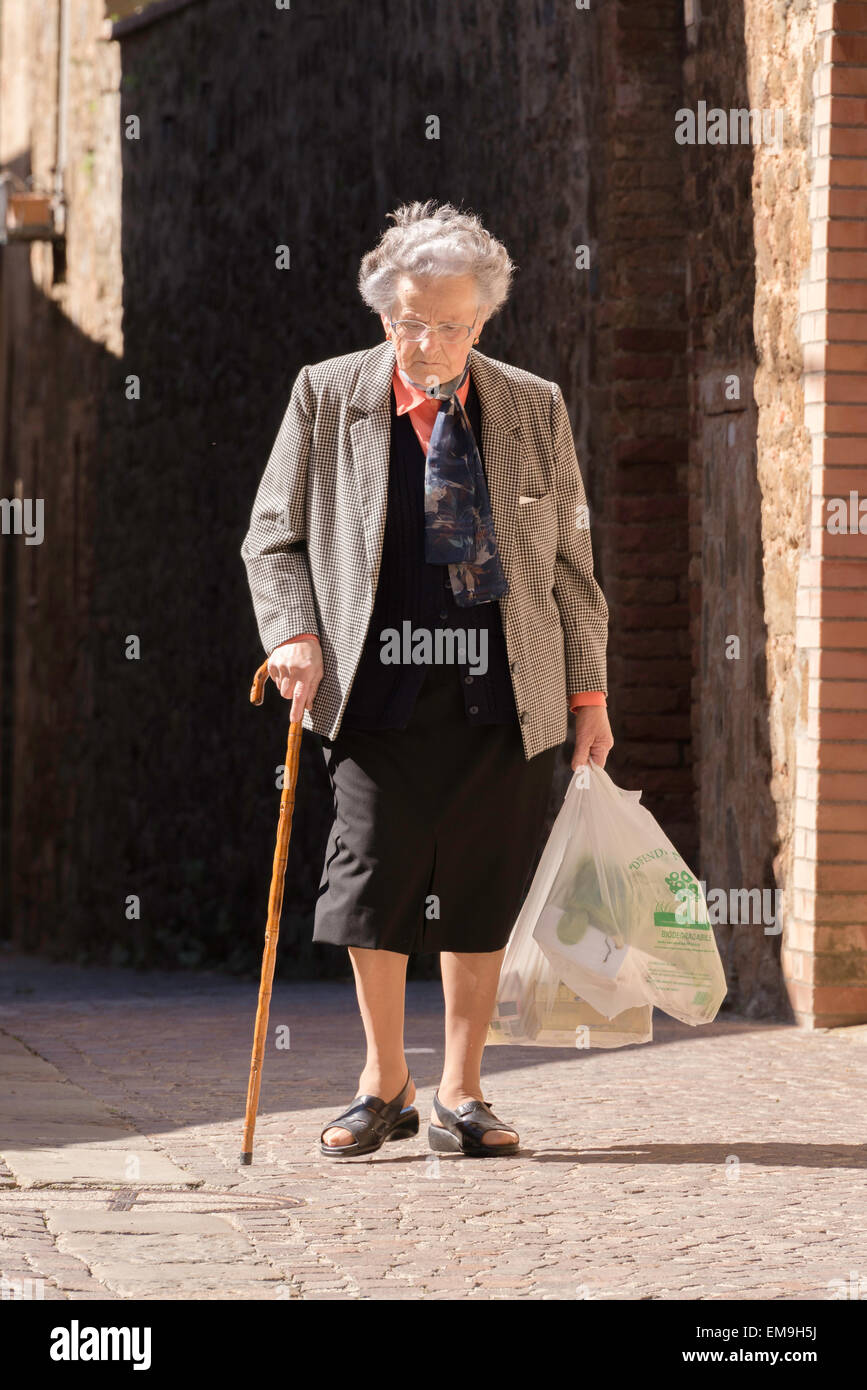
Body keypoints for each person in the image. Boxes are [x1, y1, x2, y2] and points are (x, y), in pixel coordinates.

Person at [241, 200, 613, 1158]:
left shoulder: (531, 406)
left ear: (481, 322)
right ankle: (383, 1081)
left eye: (450, 325)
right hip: (373, 686)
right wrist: (293, 633)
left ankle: (463, 1090)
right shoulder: (328, 396)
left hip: (501, 683)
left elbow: (571, 566)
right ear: (383, 313)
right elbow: (272, 538)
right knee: (372, 879)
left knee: (482, 886)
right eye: (410, 320)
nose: (428, 342)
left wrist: (588, 694)